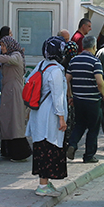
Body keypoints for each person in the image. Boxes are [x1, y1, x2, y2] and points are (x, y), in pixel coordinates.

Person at [25, 36, 69, 197]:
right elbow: (58, 97)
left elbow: (28, 81)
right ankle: (42, 186)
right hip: (50, 116)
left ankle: (44, 182)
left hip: (38, 113)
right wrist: (62, 118)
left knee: (41, 148)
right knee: (49, 148)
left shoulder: (41, 65)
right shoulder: (56, 70)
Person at [0, 36, 32, 160]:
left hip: (14, 91)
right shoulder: (10, 56)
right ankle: (8, 150)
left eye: (4, 46)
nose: (2, 48)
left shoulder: (16, 55)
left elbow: (8, 59)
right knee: (6, 119)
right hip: (8, 91)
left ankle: (19, 152)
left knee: (14, 120)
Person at [65, 35, 104, 163]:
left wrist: (70, 95)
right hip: (93, 100)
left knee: (80, 124)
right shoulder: (95, 61)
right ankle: (89, 156)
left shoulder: (74, 60)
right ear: (94, 46)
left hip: (78, 99)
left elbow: (67, 79)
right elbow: (99, 82)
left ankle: (72, 144)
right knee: (93, 128)